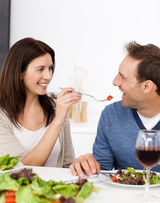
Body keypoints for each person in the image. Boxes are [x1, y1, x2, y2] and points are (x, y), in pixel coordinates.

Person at [70, 41, 160, 177]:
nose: (115, 81)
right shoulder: (111, 115)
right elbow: (102, 172)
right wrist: (88, 165)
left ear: (146, 87)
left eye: (123, 77)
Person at [0, 37, 82, 167]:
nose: (48, 76)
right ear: (20, 72)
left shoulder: (57, 108)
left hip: (56, 187)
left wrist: (81, 163)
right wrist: (57, 121)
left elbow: (67, 164)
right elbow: (19, 169)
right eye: (40, 69)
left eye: (50, 68)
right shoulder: (2, 115)